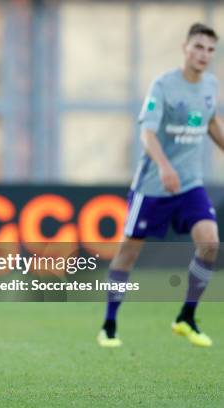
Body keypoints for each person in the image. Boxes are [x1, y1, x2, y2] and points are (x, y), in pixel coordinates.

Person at [97, 23, 223, 348]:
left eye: (210, 49)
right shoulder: (163, 85)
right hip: (154, 185)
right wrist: (165, 166)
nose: (204, 55)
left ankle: (186, 317)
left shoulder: (211, 84)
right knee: (128, 253)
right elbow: (147, 133)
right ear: (185, 48)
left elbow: (210, 121)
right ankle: (109, 325)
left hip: (190, 184)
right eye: (198, 47)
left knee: (209, 243)